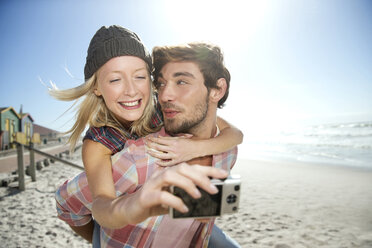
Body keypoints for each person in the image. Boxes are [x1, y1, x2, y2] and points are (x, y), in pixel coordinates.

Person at [51, 26, 242, 246]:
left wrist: (196, 149)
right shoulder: (103, 145)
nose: (131, 90)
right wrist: (130, 208)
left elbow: (234, 134)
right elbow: (98, 204)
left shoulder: (164, 108)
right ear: (97, 88)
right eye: (115, 80)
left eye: (140, 76)